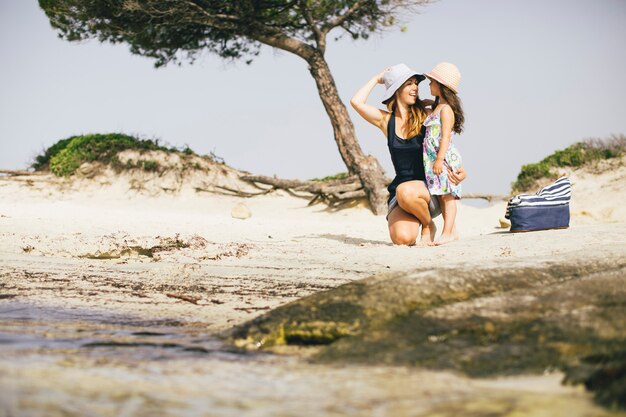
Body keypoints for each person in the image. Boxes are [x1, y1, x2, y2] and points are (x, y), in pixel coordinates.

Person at [350, 64, 466, 246]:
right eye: (409, 84)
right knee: (402, 238)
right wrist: (377, 78)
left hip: (430, 190)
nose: (415, 88)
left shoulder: (426, 115)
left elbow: (445, 142)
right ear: (396, 89)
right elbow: (356, 102)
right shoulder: (385, 121)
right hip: (403, 194)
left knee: (405, 191)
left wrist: (460, 170)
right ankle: (426, 221)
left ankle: (428, 227)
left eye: (416, 84)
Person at [423, 62, 465, 245]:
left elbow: (445, 137)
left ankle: (447, 232)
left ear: (440, 86)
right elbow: (424, 107)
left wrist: (440, 159)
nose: (429, 85)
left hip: (443, 158)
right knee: (441, 195)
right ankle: (452, 230)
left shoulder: (446, 110)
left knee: (448, 196)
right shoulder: (437, 108)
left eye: (431, 82)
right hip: (432, 160)